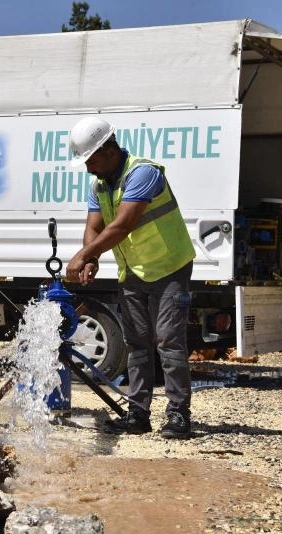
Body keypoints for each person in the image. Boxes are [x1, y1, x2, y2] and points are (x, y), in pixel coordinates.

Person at [64, 116, 196, 439]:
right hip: (134, 271)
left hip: (169, 268)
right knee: (137, 343)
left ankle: (179, 414)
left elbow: (122, 225)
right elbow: (94, 226)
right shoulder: (99, 185)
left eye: (91, 160)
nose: (88, 168)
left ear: (109, 150)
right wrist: (91, 257)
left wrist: (83, 256)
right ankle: (138, 414)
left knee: (168, 341)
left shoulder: (143, 174)